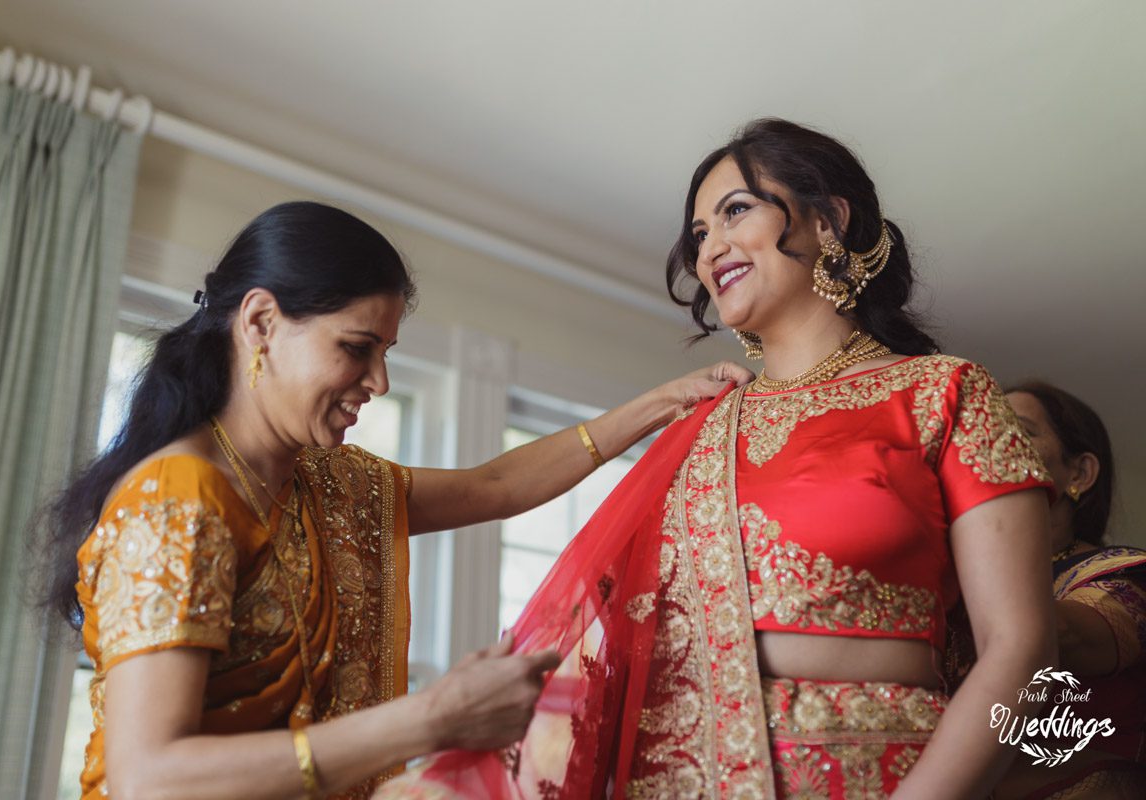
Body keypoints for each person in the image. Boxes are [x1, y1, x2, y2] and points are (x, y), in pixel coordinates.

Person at [378, 119, 1057, 799]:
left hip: (879, 774)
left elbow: (1021, 652)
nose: (711, 250)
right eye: (699, 234)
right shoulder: (700, 429)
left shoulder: (942, 393)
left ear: (828, 221)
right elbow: (610, 643)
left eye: (735, 211)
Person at [35, 201, 752, 799]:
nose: (376, 381)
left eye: (386, 355)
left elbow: (494, 487)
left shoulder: (329, 483)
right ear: (259, 323)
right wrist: (432, 719)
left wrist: (658, 405)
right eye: (355, 348)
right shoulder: (179, 499)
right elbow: (148, 777)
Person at [994, 382, 1145, 799]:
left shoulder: (1122, 574)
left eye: (1019, 430)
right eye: (982, 427)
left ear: (1078, 473)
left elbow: (1069, 638)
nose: (988, 441)